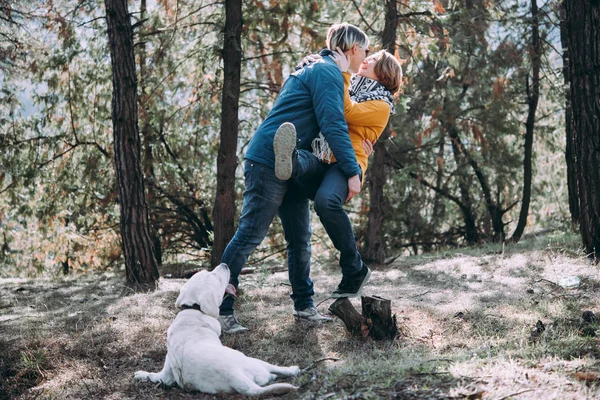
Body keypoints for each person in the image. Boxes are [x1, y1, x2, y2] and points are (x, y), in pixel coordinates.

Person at [218, 23, 370, 334]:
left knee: (300, 241)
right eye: (365, 51)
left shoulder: (315, 66)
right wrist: (353, 171)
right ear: (353, 49)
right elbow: (332, 123)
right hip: (269, 159)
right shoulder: (327, 71)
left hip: (292, 163)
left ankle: (304, 306)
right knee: (249, 235)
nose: (365, 58)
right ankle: (220, 310)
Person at [273, 49, 402, 299]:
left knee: (326, 202)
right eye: (367, 56)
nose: (365, 60)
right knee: (300, 170)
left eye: (373, 60)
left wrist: (338, 71)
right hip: (322, 155)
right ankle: (290, 160)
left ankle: (354, 269)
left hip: (347, 164)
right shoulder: (352, 86)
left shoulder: (381, 105)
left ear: (384, 72)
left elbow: (346, 111)